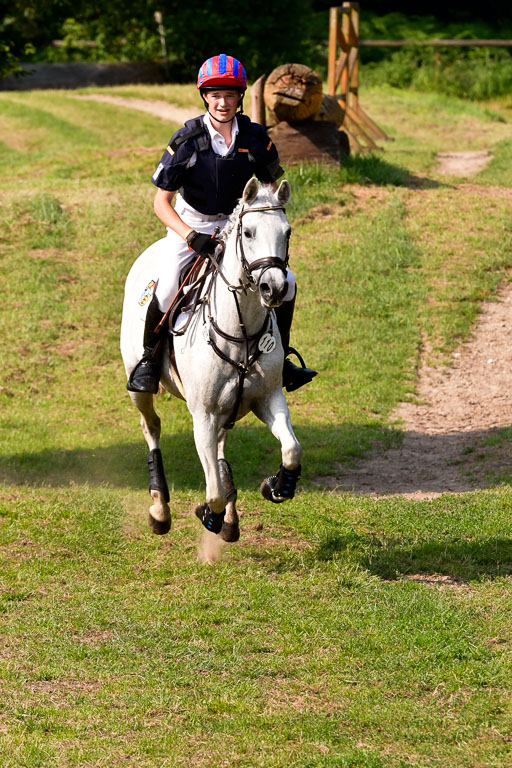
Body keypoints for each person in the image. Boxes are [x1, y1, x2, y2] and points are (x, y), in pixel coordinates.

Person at [127, 53, 317, 395]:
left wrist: (267, 217)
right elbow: (161, 203)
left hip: (238, 224)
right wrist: (190, 236)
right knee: (170, 283)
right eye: (215, 94)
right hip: (191, 224)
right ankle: (148, 361)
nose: (223, 102)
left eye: (230, 94)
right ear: (204, 96)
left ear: (239, 96)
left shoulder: (255, 138)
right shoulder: (186, 141)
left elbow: (272, 188)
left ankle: (282, 359)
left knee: (286, 282)